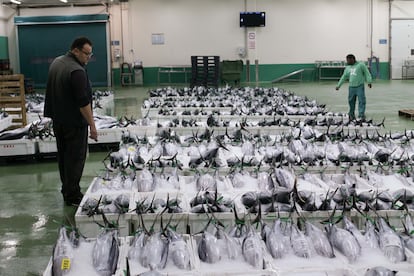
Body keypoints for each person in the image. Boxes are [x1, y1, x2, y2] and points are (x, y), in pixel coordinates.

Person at [44, 37, 98, 206]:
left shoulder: (58, 62)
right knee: (75, 159)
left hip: (58, 120)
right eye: (86, 54)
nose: (88, 57)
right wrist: (93, 126)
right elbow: (83, 102)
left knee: (64, 156)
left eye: (90, 54)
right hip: (74, 123)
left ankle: (66, 189)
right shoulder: (76, 71)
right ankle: (72, 195)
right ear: (75, 50)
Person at [335, 54, 372, 120]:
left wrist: (369, 82)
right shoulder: (347, 68)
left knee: (361, 101)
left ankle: (361, 115)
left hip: (359, 86)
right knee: (351, 101)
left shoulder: (361, 65)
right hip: (351, 87)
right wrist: (338, 85)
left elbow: (367, 73)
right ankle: (351, 114)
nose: (347, 61)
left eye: (348, 60)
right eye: (347, 60)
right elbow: (344, 77)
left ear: (353, 59)